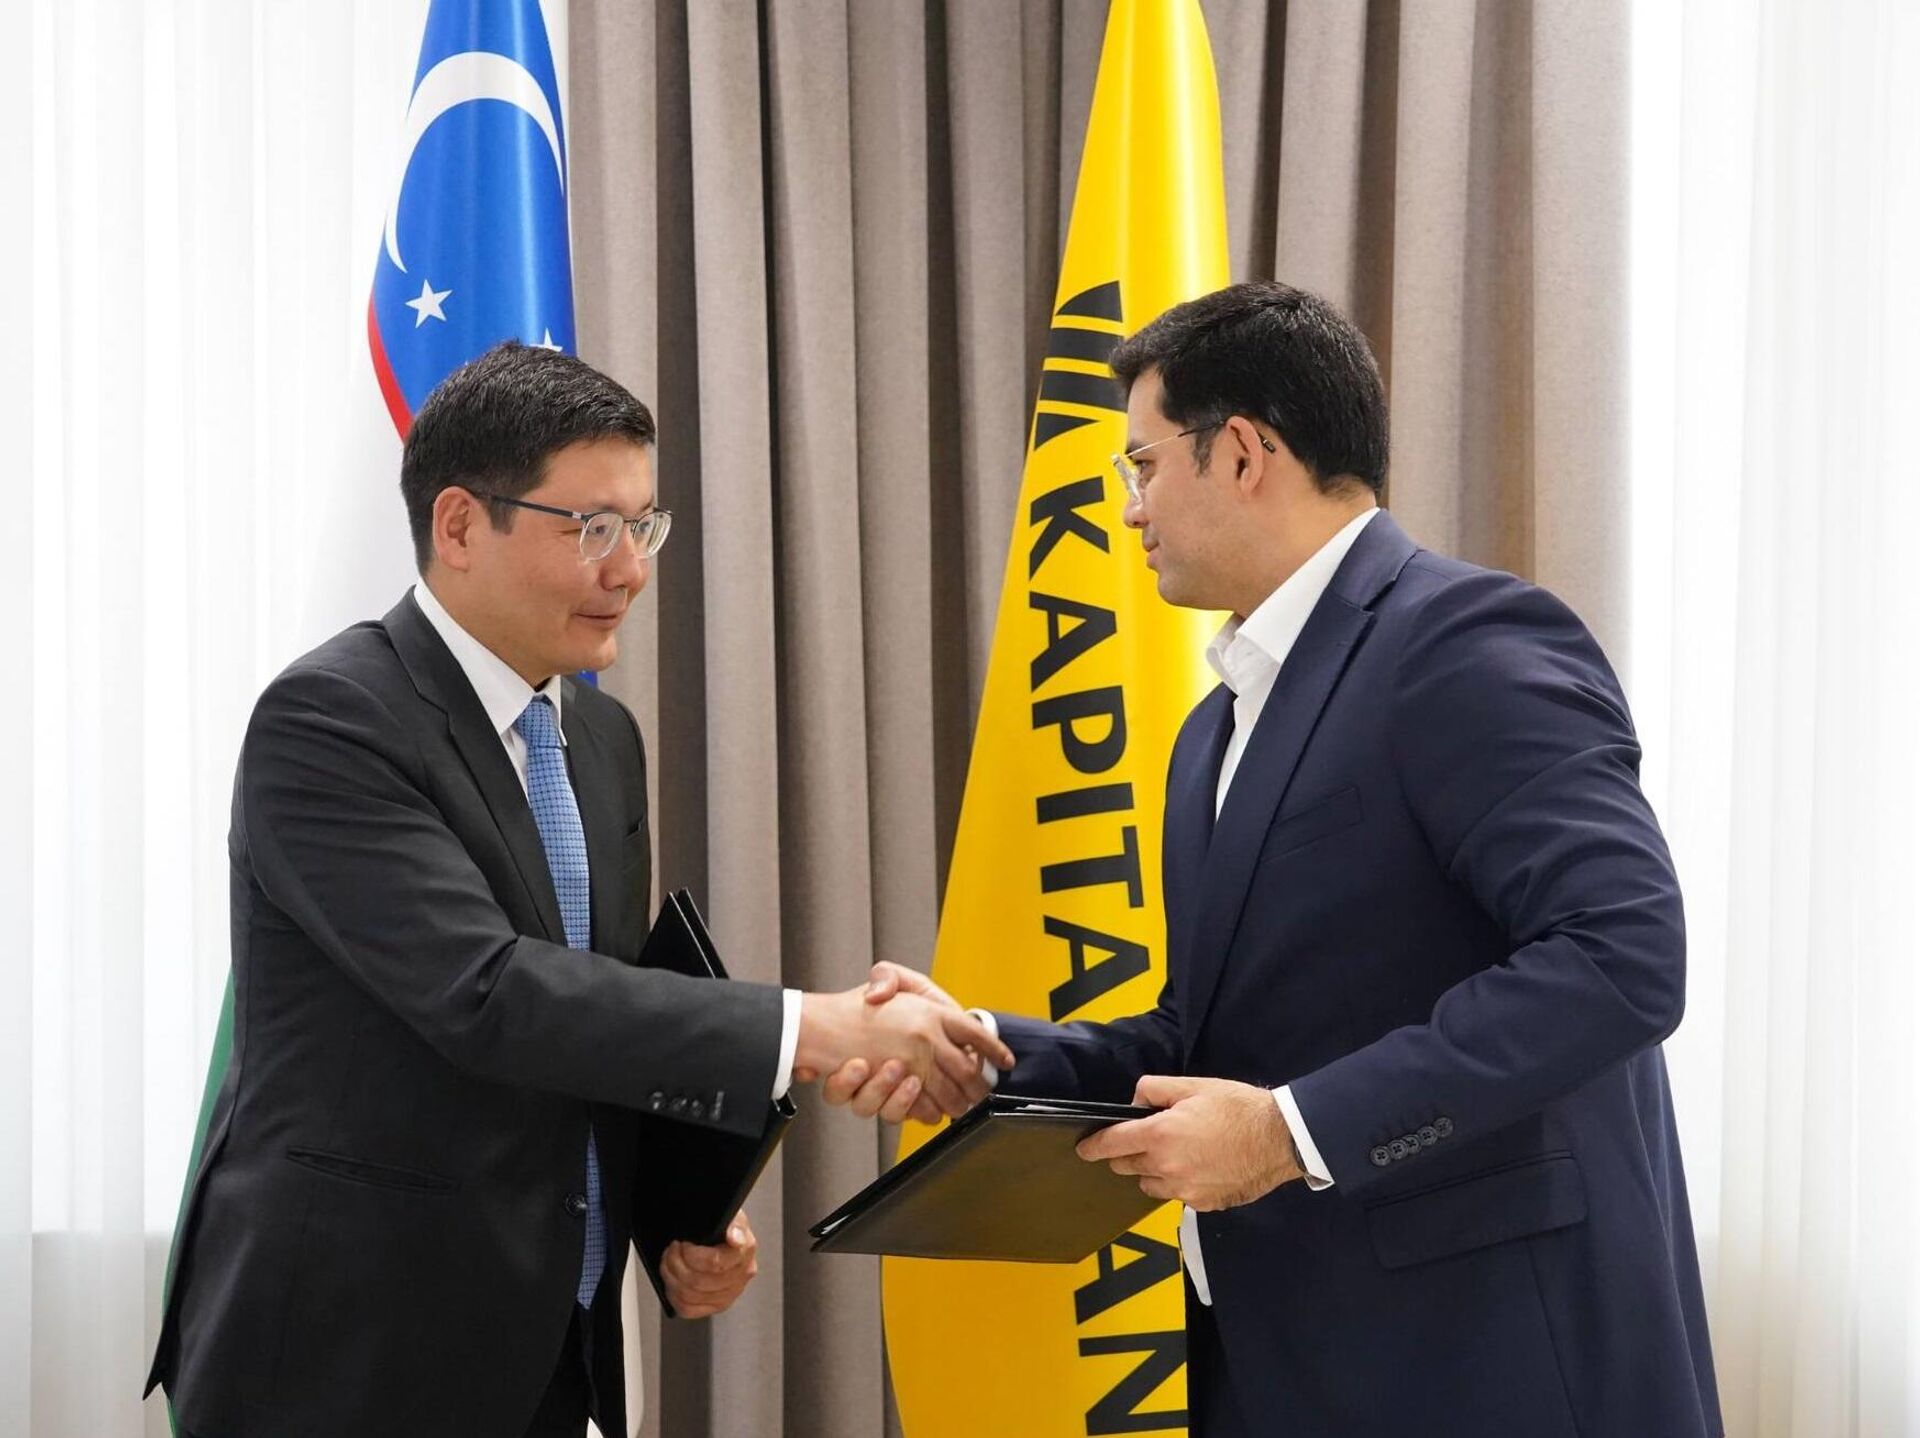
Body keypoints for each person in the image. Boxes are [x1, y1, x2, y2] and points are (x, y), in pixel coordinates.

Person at [848, 283, 1722, 1437]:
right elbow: (1209, 1035)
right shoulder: (1209, 730)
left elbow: (1623, 957)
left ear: (1244, 453)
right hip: (1280, 1361)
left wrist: (1288, 1133)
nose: (1129, 509)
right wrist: (987, 1052)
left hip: (1486, 1361)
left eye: (1143, 465)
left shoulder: (1464, 641)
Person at [144, 342, 1013, 1438]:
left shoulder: (601, 737)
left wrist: (674, 1215)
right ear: (460, 526)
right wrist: (816, 1027)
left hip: (549, 1346)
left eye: (644, 527)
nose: (631, 570)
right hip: (342, 1352)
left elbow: (592, 1018)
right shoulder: (330, 720)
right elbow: (490, 994)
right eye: (593, 527)